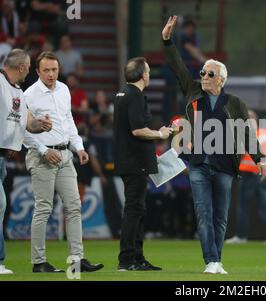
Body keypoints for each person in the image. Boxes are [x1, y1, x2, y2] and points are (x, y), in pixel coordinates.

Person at [162, 16, 266, 274]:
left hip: (225, 166)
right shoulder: (193, 91)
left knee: (221, 217)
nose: (204, 76)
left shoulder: (235, 104)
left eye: (210, 74)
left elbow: (245, 133)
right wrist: (167, 40)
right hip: (198, 164)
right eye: (203, 72)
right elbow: (177, 66)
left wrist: (258, 157)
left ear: (221, 79)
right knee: (203, 213)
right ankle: (211, 261)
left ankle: (217, 260)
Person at [23, 51, 103, 273]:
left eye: (54, 70)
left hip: (66, 155)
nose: (51, 74)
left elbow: (68, 121)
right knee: (44, 209)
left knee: (74, 206)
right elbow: (23, 130)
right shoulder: (29, 95)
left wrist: (79, 147)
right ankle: (38, 262)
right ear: (37, 71)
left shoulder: (64, 89)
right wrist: (43, 149)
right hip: (41, 157)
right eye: (46, 70)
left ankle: (77, 259)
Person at [113, 56, 172, 271]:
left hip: (130, 159)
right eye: (147, 71)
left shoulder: (122, 94)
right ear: (142, 74)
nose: (149, 74)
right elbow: (138, 130)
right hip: (134, 162)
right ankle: (128, 259)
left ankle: (136, 258)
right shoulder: (135, 95)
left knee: (136, 209)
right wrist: (160, 133)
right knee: (134, 209)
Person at [0, 48, 52, 275]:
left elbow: (26, 122)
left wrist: (39, 123)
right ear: (21, 67)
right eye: (29, 66)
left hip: (3, 158)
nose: (29, 70)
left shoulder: (17, 90)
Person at [226, 110, 266, 244]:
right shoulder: (263, 134)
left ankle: (241, 236)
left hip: (250, 174)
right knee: (264, 205)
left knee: (243, 205)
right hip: (261, 173)